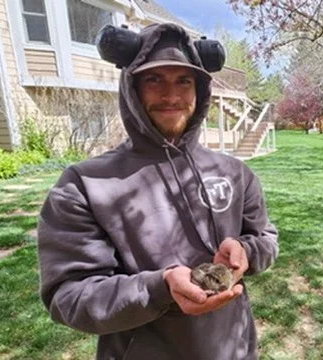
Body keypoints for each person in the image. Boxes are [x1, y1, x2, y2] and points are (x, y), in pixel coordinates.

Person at [36, 23, 279, 360]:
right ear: (132, 87)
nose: (172, 96)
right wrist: (160, 288)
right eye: (155, 80)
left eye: (184, 80)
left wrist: (246, 252)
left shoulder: (235, 173)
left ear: (200, 89)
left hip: (233, 349)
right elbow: (69, 297)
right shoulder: (84, 185)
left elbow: (266, 237)